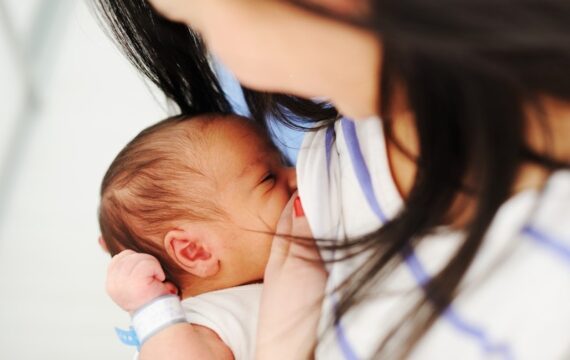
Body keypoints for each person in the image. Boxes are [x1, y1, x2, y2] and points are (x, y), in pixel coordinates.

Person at [96, 0, 570, 359]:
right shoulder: (336, 150)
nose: (225, 60)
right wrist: (155, 314)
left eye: (201, 23)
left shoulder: (327, 158)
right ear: (195, 252)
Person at [98, 114, 319, 359]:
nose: (297, 174)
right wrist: (150, 311)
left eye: (283, 162)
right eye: (268, 178)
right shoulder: (199, 324)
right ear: (196, 251)